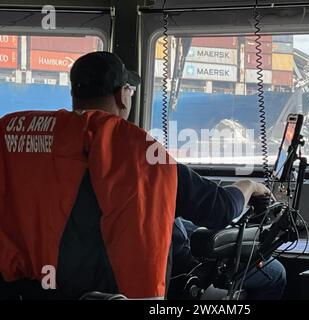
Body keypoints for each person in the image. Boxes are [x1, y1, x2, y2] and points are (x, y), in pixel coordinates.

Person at [0, 51, 284, 300]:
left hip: (28, 289)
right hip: (124, 293)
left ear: (74, 94)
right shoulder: (138, 150)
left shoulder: (19, 138)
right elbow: (219, 209)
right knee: (275, 274)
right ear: (122, 95)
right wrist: (248, 186)